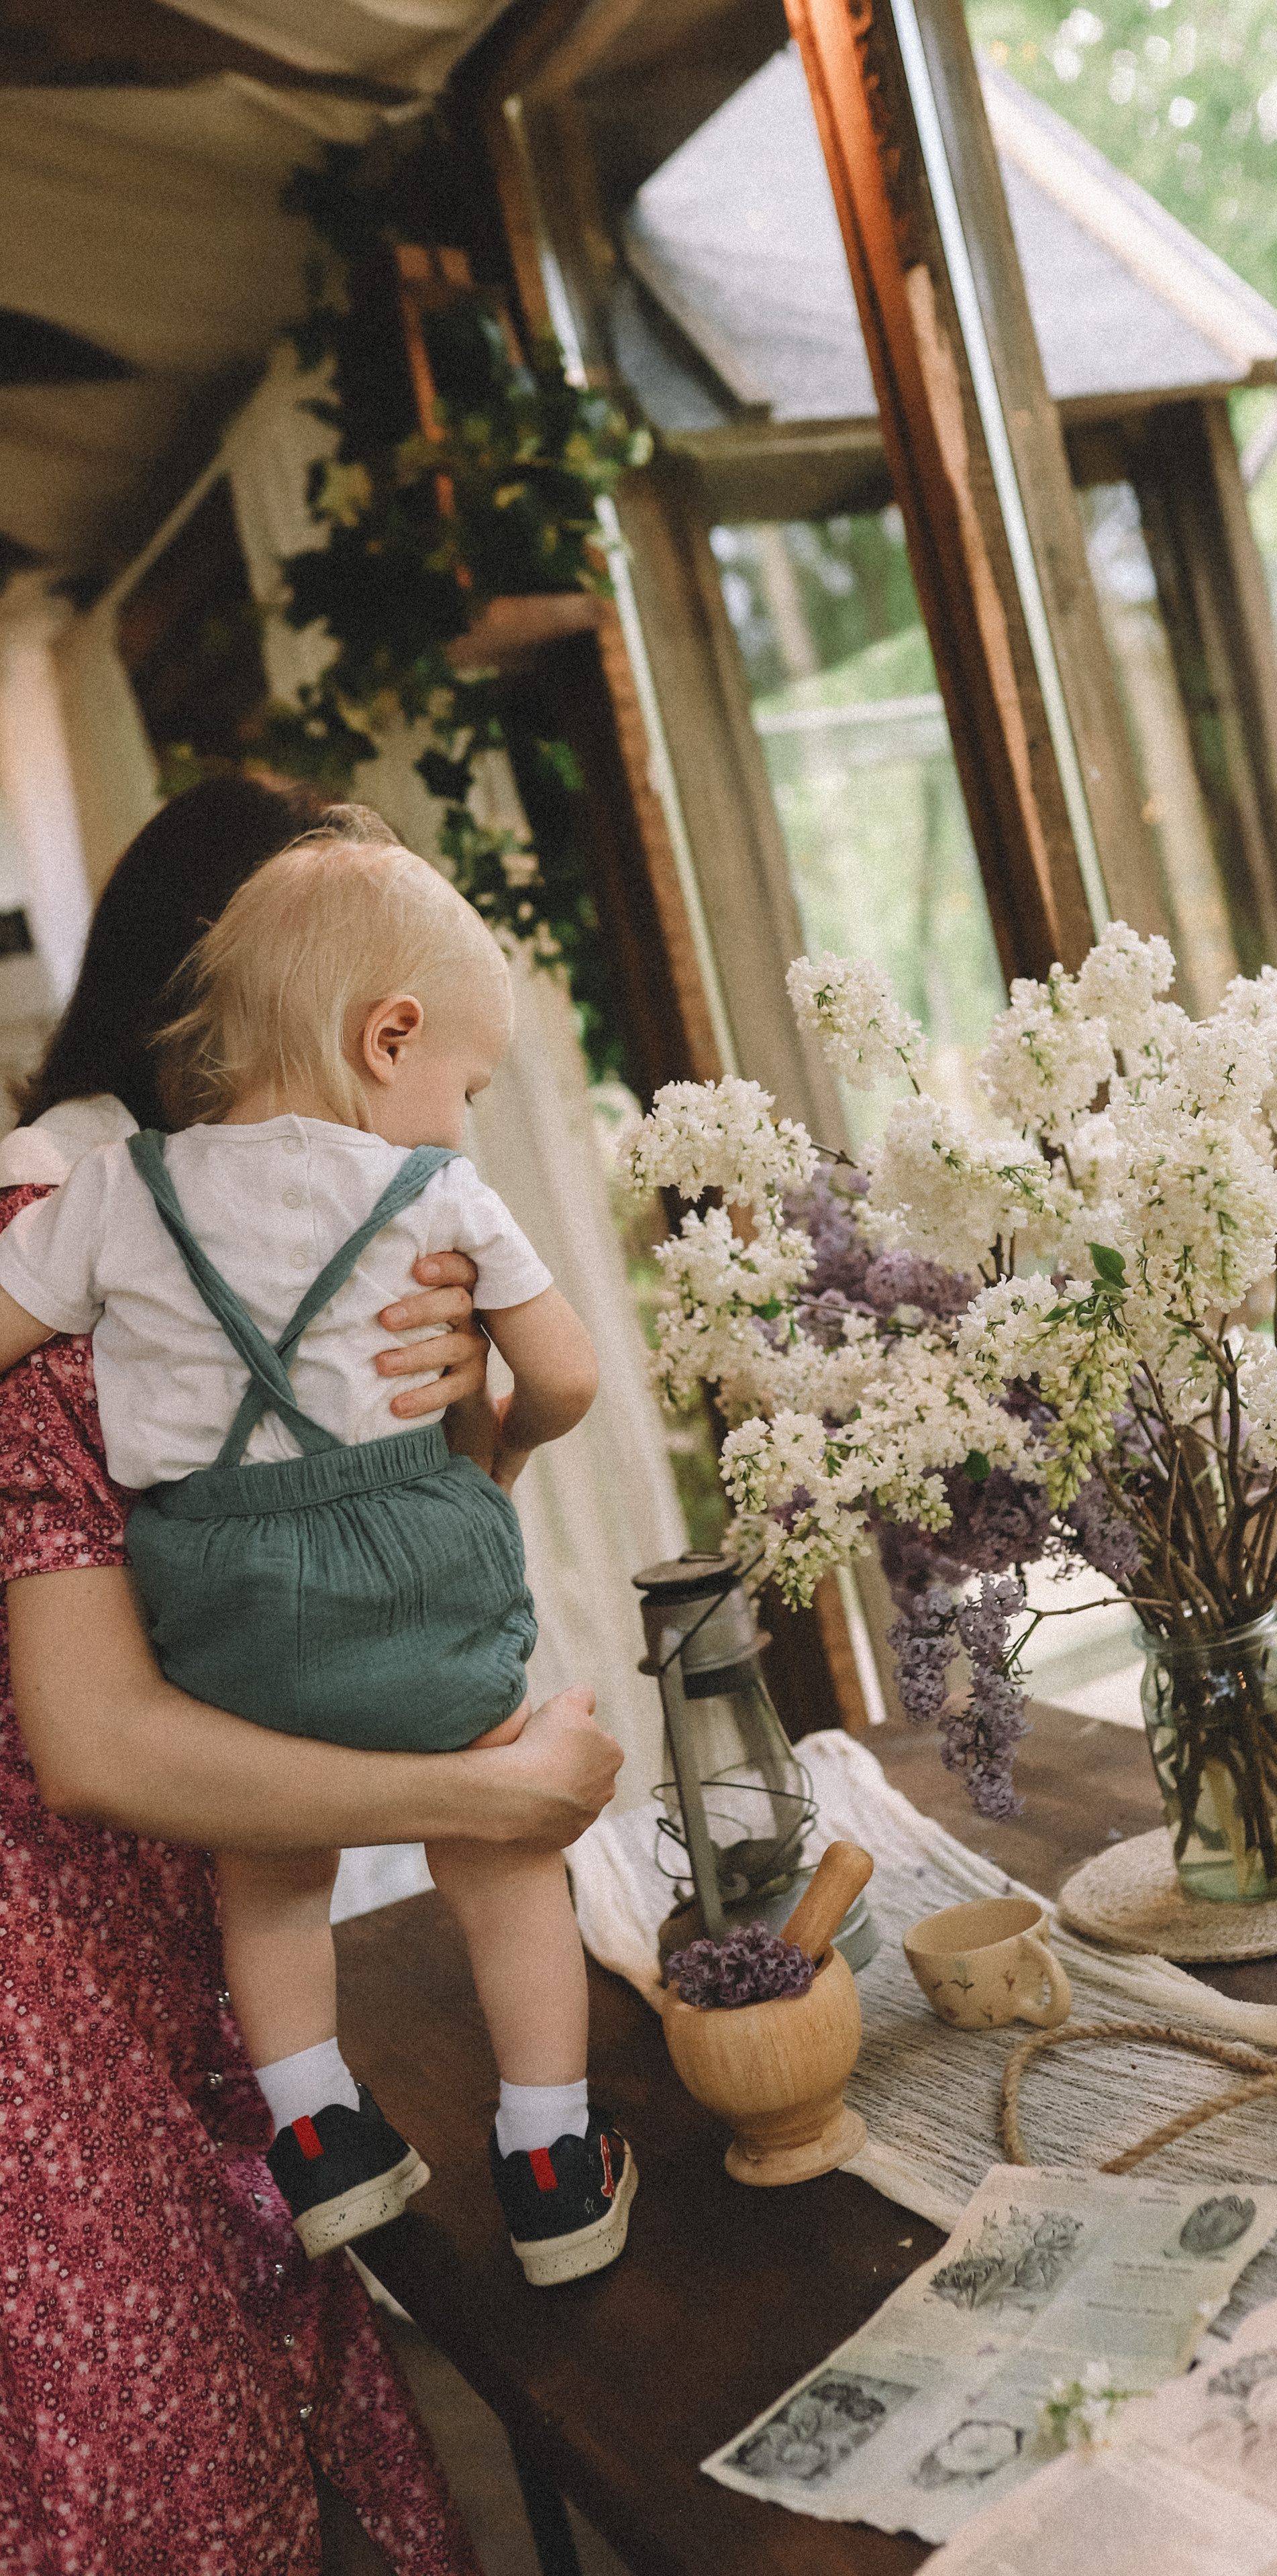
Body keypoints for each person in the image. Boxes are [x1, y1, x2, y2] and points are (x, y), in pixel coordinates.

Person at [0, 777, 623, 2573]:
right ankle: (552, 2148)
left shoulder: (162, 1224)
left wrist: (457, 1422)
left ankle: (369, 2131)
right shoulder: (86, 1216)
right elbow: (98, 1742)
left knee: (280, 2404)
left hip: (182, 1934)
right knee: (166, 2483)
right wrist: (481, 1786)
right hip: (61, 2014)